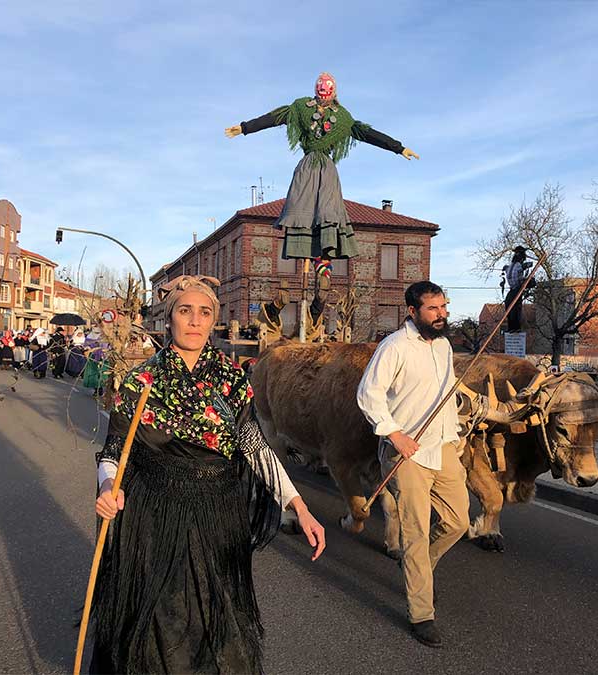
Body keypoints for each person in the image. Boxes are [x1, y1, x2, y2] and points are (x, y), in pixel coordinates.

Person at [89, 275, 326, 673]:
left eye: (204, 313)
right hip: (154, 513)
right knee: (161, 610)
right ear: (170, 321)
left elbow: (254, 448)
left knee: (216, 611)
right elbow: (114, 451)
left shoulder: (233, 382)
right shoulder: (141, 382)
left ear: (213, 320)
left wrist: (298, 506)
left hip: (217, 515)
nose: (195, 321)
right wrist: (109, 484)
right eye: (185, 311)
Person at [356, 280, 467, 648]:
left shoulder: (446, 346)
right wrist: (394, 433)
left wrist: (457, 431)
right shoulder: (394, 347)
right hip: (408, 453)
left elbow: (446, 393)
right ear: (412, 311)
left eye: (444, 307)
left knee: (458, 522)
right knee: (416, 532)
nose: (442, 314)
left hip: (443, 447)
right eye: (433, 309)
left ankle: (419, 570)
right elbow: (368, 395)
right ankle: (421, 611)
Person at [226, 72, 419, 261]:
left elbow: (369, 134)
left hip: (326, 169)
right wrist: (245, 128)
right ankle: (307, 256)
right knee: (302, 209)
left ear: (334, 92)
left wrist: (398, 148)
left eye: (327, 89)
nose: (323, 93)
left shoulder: (343, 118)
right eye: (321, 88)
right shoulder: (301, 108)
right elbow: (274, 117)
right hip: (307, 167)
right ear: (316, 90)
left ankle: (325, 261)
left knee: (328, 211)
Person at [504, 246, 532, 332]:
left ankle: (515, 327)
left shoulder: (516, 265)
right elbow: (515, 276)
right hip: (514, 289)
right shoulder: (515, 265)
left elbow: (517, 275)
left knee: (514, 307)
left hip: (516, 289)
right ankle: (512, 327)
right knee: (510, 306)